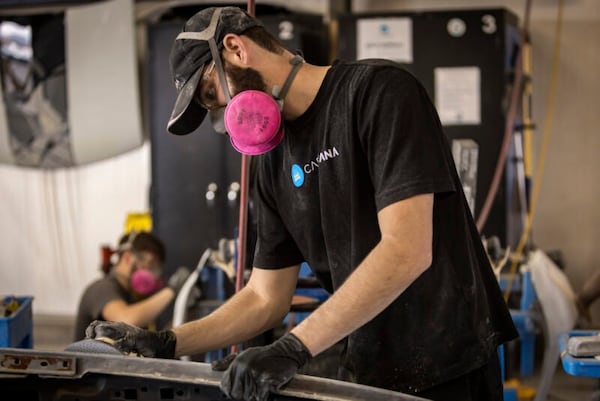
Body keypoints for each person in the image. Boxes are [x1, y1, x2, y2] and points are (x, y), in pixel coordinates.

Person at [85, 6, 519, 401]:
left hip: (450, 364)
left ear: (235, 49)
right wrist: (168, 342)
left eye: (211, 95)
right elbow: (263, 296)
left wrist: (294, 347)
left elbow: (407, 249)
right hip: (367, 369)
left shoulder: (379, 93)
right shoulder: (271, 163)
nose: (220, 115)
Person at [74, 231, 190, 341]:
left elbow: (150, 345)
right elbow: (126, 320)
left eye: (155, 268)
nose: (151, 274)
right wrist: (172, 290)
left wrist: (185, 313)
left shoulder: (133, 299)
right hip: (94, 362)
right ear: (127, 258)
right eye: (149, 263)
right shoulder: (101, 288)